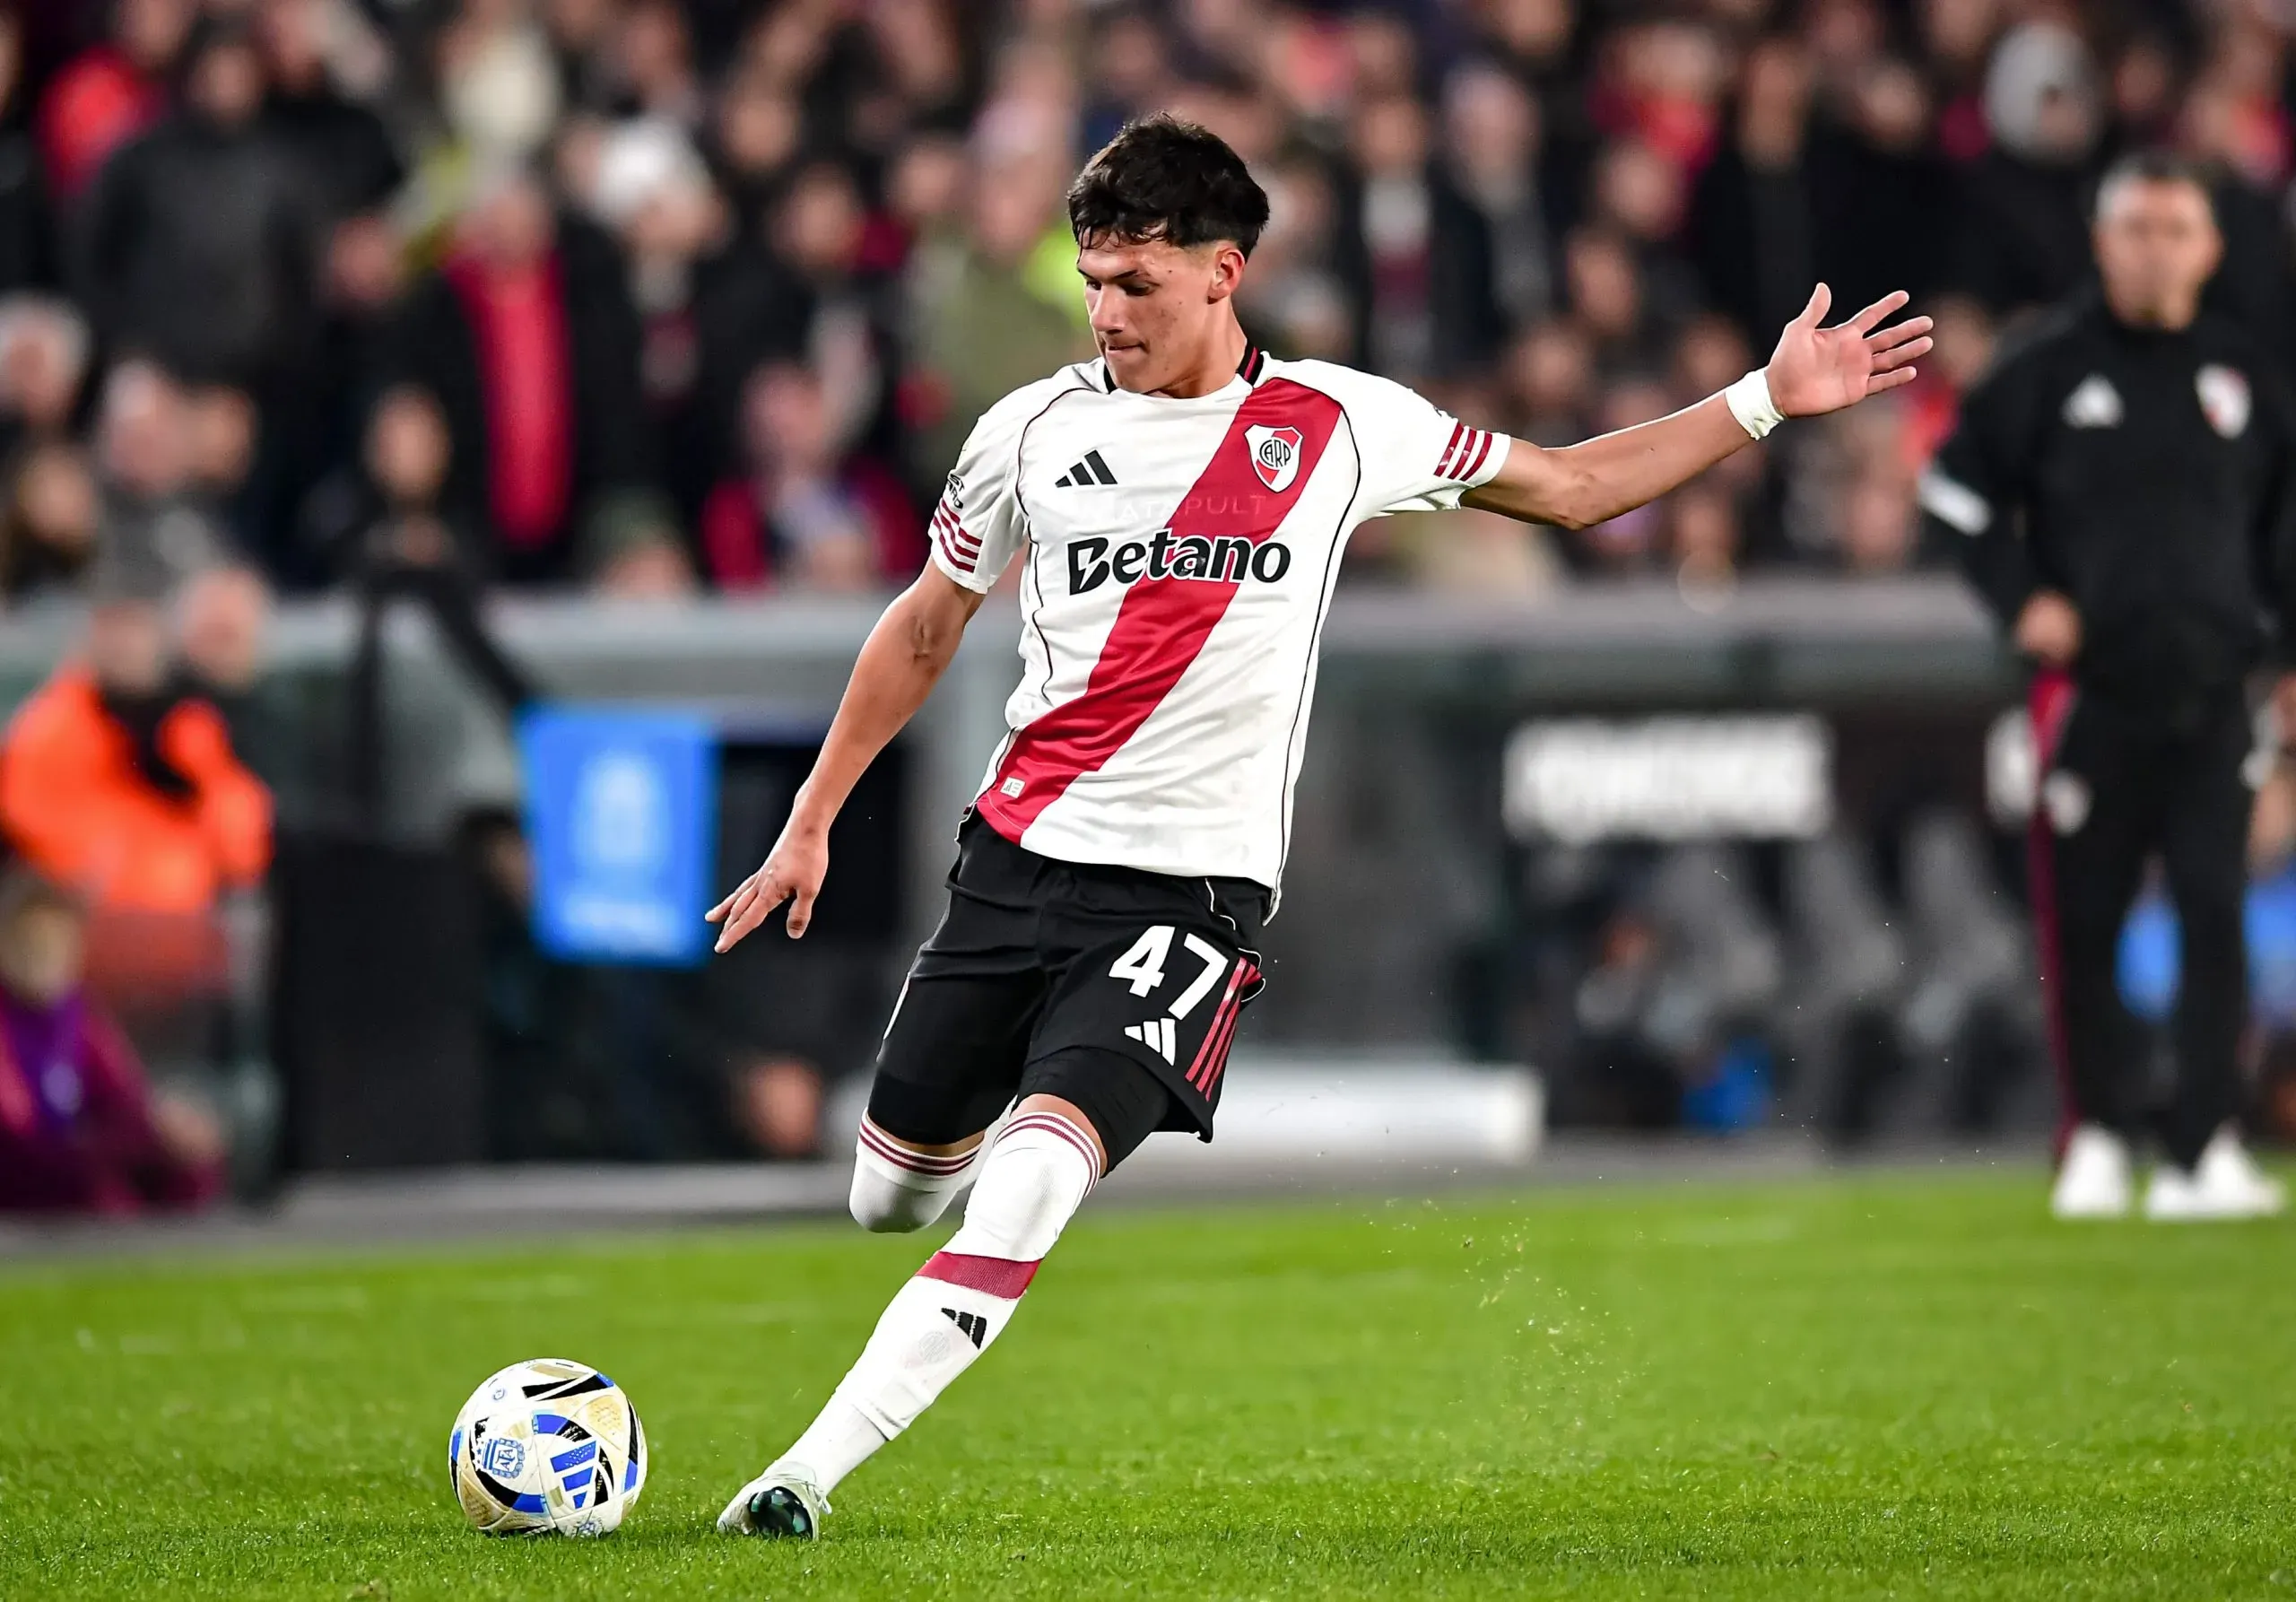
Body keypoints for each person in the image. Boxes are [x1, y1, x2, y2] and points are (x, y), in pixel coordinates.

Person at [704, 116, 1928, 1539]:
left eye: (1139, 284)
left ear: (1226, 272)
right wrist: (813, 818)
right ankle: (953, 1181)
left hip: (1189, 901)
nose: (1108, 314)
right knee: (887, 1197)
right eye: (1093, 280)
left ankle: (796, 1479)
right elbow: (926, 625)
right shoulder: (1028, 433)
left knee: (1031, 1181)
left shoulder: (1345, 424)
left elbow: (1574, 487)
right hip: (1015, 864)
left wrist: (1761, 403)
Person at [1924, 151, 2296, 1222]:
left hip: (2219, 687)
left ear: (2210, 246)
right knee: (2081, 917)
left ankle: (2203, 1144)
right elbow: (1953, 492)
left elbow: (2285, 536)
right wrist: (2020, 598)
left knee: (2214, 911)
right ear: (2101, 239)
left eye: (2175, 229)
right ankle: (2095, 1131)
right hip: (2087, 691)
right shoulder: (2044, 368)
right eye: (2136, 228)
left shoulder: (2247, 375)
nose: (2155, 249)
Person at [0, 868, 225, 1214]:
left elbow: (124, 1100)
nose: (44, 956)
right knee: (103, 1192)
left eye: (57, 943)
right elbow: (18, 1146)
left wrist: (166, 1130)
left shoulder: (78, 1019)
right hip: (31, 1180)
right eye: (31, 942)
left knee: (186, 1169)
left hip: (74, 1165)